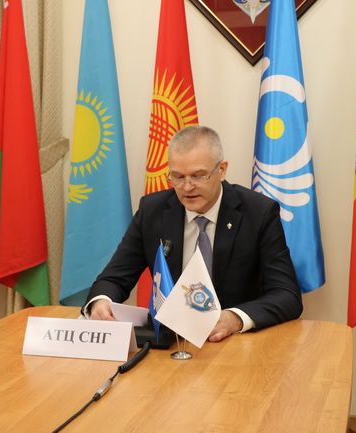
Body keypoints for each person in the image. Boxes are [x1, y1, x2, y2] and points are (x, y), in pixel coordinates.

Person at [85, 125, 302, 342]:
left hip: (235, 343)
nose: (187, 187)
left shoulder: (258, 212)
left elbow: (287, 295)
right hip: (172, 344)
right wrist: (101, 302)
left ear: (222, 170)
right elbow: (113, 278)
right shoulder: (153, 211)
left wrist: (235, 318)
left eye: (198, 176)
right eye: (178, 177)